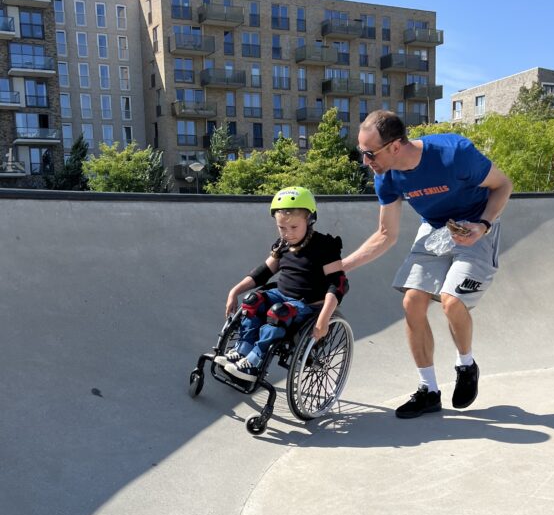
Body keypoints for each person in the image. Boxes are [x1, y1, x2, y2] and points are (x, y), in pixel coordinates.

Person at [342, 110, 513, 418]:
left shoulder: (454, 154)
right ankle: (429, 390)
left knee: (451, 300)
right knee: (412, 302)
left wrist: (484, 225)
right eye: (361, 153)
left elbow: (503, 185)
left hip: (476, 226)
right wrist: (341, 265)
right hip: (435, 229)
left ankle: (466, 365)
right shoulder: (387, 177)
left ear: (395, 146)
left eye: (369, 154)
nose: (366, 162)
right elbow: (385, 235)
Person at [215, 186, 348, 382]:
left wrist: (324, 319)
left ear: (310, 220)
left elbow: (338, 284)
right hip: (281, 295)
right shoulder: (283, 245)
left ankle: (254, 362)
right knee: (253, 301)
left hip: (308, 304)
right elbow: (263, 273)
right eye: (282, 228)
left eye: (294, 227)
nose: (288, 233)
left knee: (278, 312)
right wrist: (234, 291)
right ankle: (242, 350)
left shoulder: (325, 247)